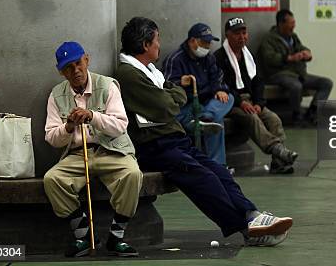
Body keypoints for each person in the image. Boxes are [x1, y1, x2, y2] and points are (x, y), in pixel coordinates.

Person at [115, 17, 293, 247]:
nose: (160, 44)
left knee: (219, 171)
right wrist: (174, 93)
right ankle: (246, 229)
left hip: (174, 139)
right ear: (145, 45)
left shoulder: (150, 70)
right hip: (155, 145)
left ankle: (252, 215)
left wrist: (174, 92)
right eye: (157, 39)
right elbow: (168, 105)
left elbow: (174, 94)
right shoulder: (130, 74)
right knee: (203, 178)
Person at [43, 42, 142, 258]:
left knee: (132, 175)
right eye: (68, 67)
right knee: (52, 179)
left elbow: (120, 126)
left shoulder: (107, 86)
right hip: (78, 154)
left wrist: (92, 116)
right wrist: (68, 126)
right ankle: (84, 236)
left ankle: (117, 237)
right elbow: (51, 137)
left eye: (78, 63)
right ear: (61, 71)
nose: (75, 70)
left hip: (111, 150)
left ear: (87, 60)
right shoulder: (56, 95)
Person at [215, 17, 298, 174]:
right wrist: (241, 103)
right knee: (251, 118)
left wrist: (259, 103)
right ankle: (277, 149)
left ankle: (279, 163)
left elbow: (258, 82)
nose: (242, 37)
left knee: (274, 119)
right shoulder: (219, 58)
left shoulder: (248, 56)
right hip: (231, 103)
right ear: (227, 35)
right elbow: (222, 86)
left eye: (244, 33)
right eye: (237, 33)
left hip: (252, 100)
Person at [162, 23, 233, 166]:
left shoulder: (209, 58)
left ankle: (207, 117)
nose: (207, 47)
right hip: (186, 107)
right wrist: (180, 82)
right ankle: (218, 165)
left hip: (205, 105)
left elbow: (217, 77)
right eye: (204, 43)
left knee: (228, 98)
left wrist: (219, 89)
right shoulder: (175, 59)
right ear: (192, 41)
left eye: (208, 43)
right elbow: (164, 86)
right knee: (216, 124)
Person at [258, 9, 333, 124]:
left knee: (326, 83)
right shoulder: (269, 39)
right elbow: (269, 58)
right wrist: (288, 58)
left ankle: (313, 111)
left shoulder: (293, 37)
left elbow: (301, 47)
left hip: (299, 74)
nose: (293, 26)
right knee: (296, 86)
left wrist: (306, 53)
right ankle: (296, 115)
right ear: (281, 24)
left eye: (294, 23)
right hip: (279, 74)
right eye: (291, 23)